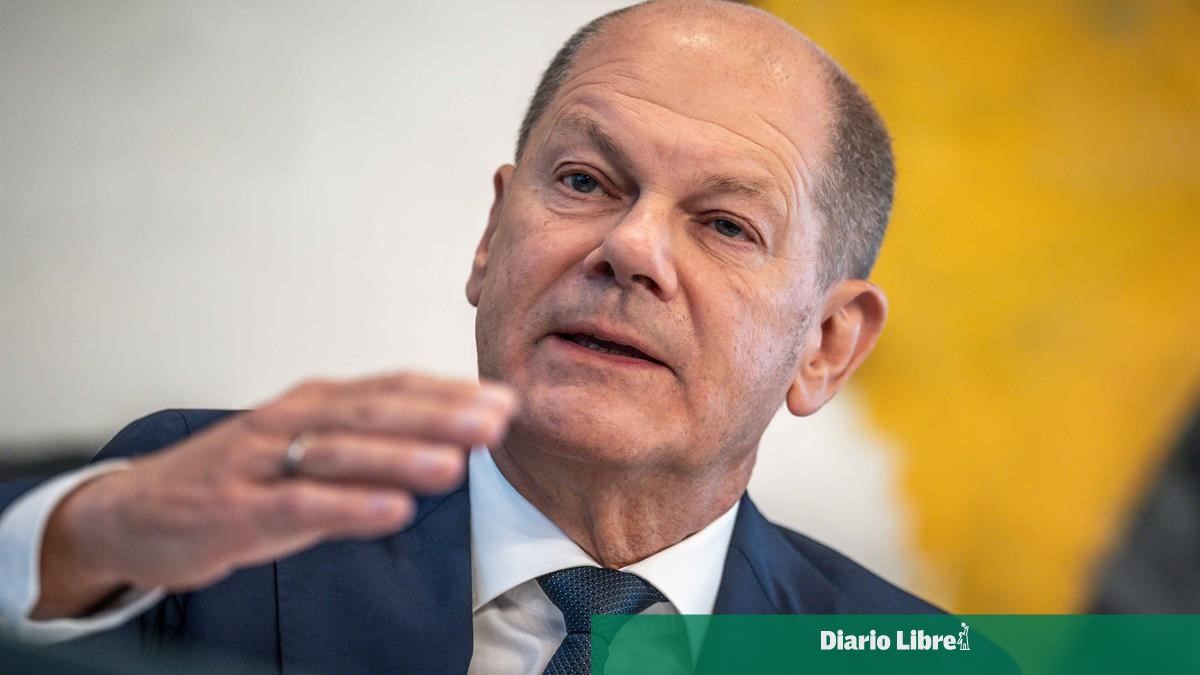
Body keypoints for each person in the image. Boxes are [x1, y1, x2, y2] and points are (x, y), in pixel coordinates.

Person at [0, 0, 940, 671]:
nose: (629, 248)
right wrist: (74, 545)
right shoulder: (197, 528)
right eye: (584, 181)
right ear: (492, 236)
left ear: (826, 344)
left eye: (726, 224)